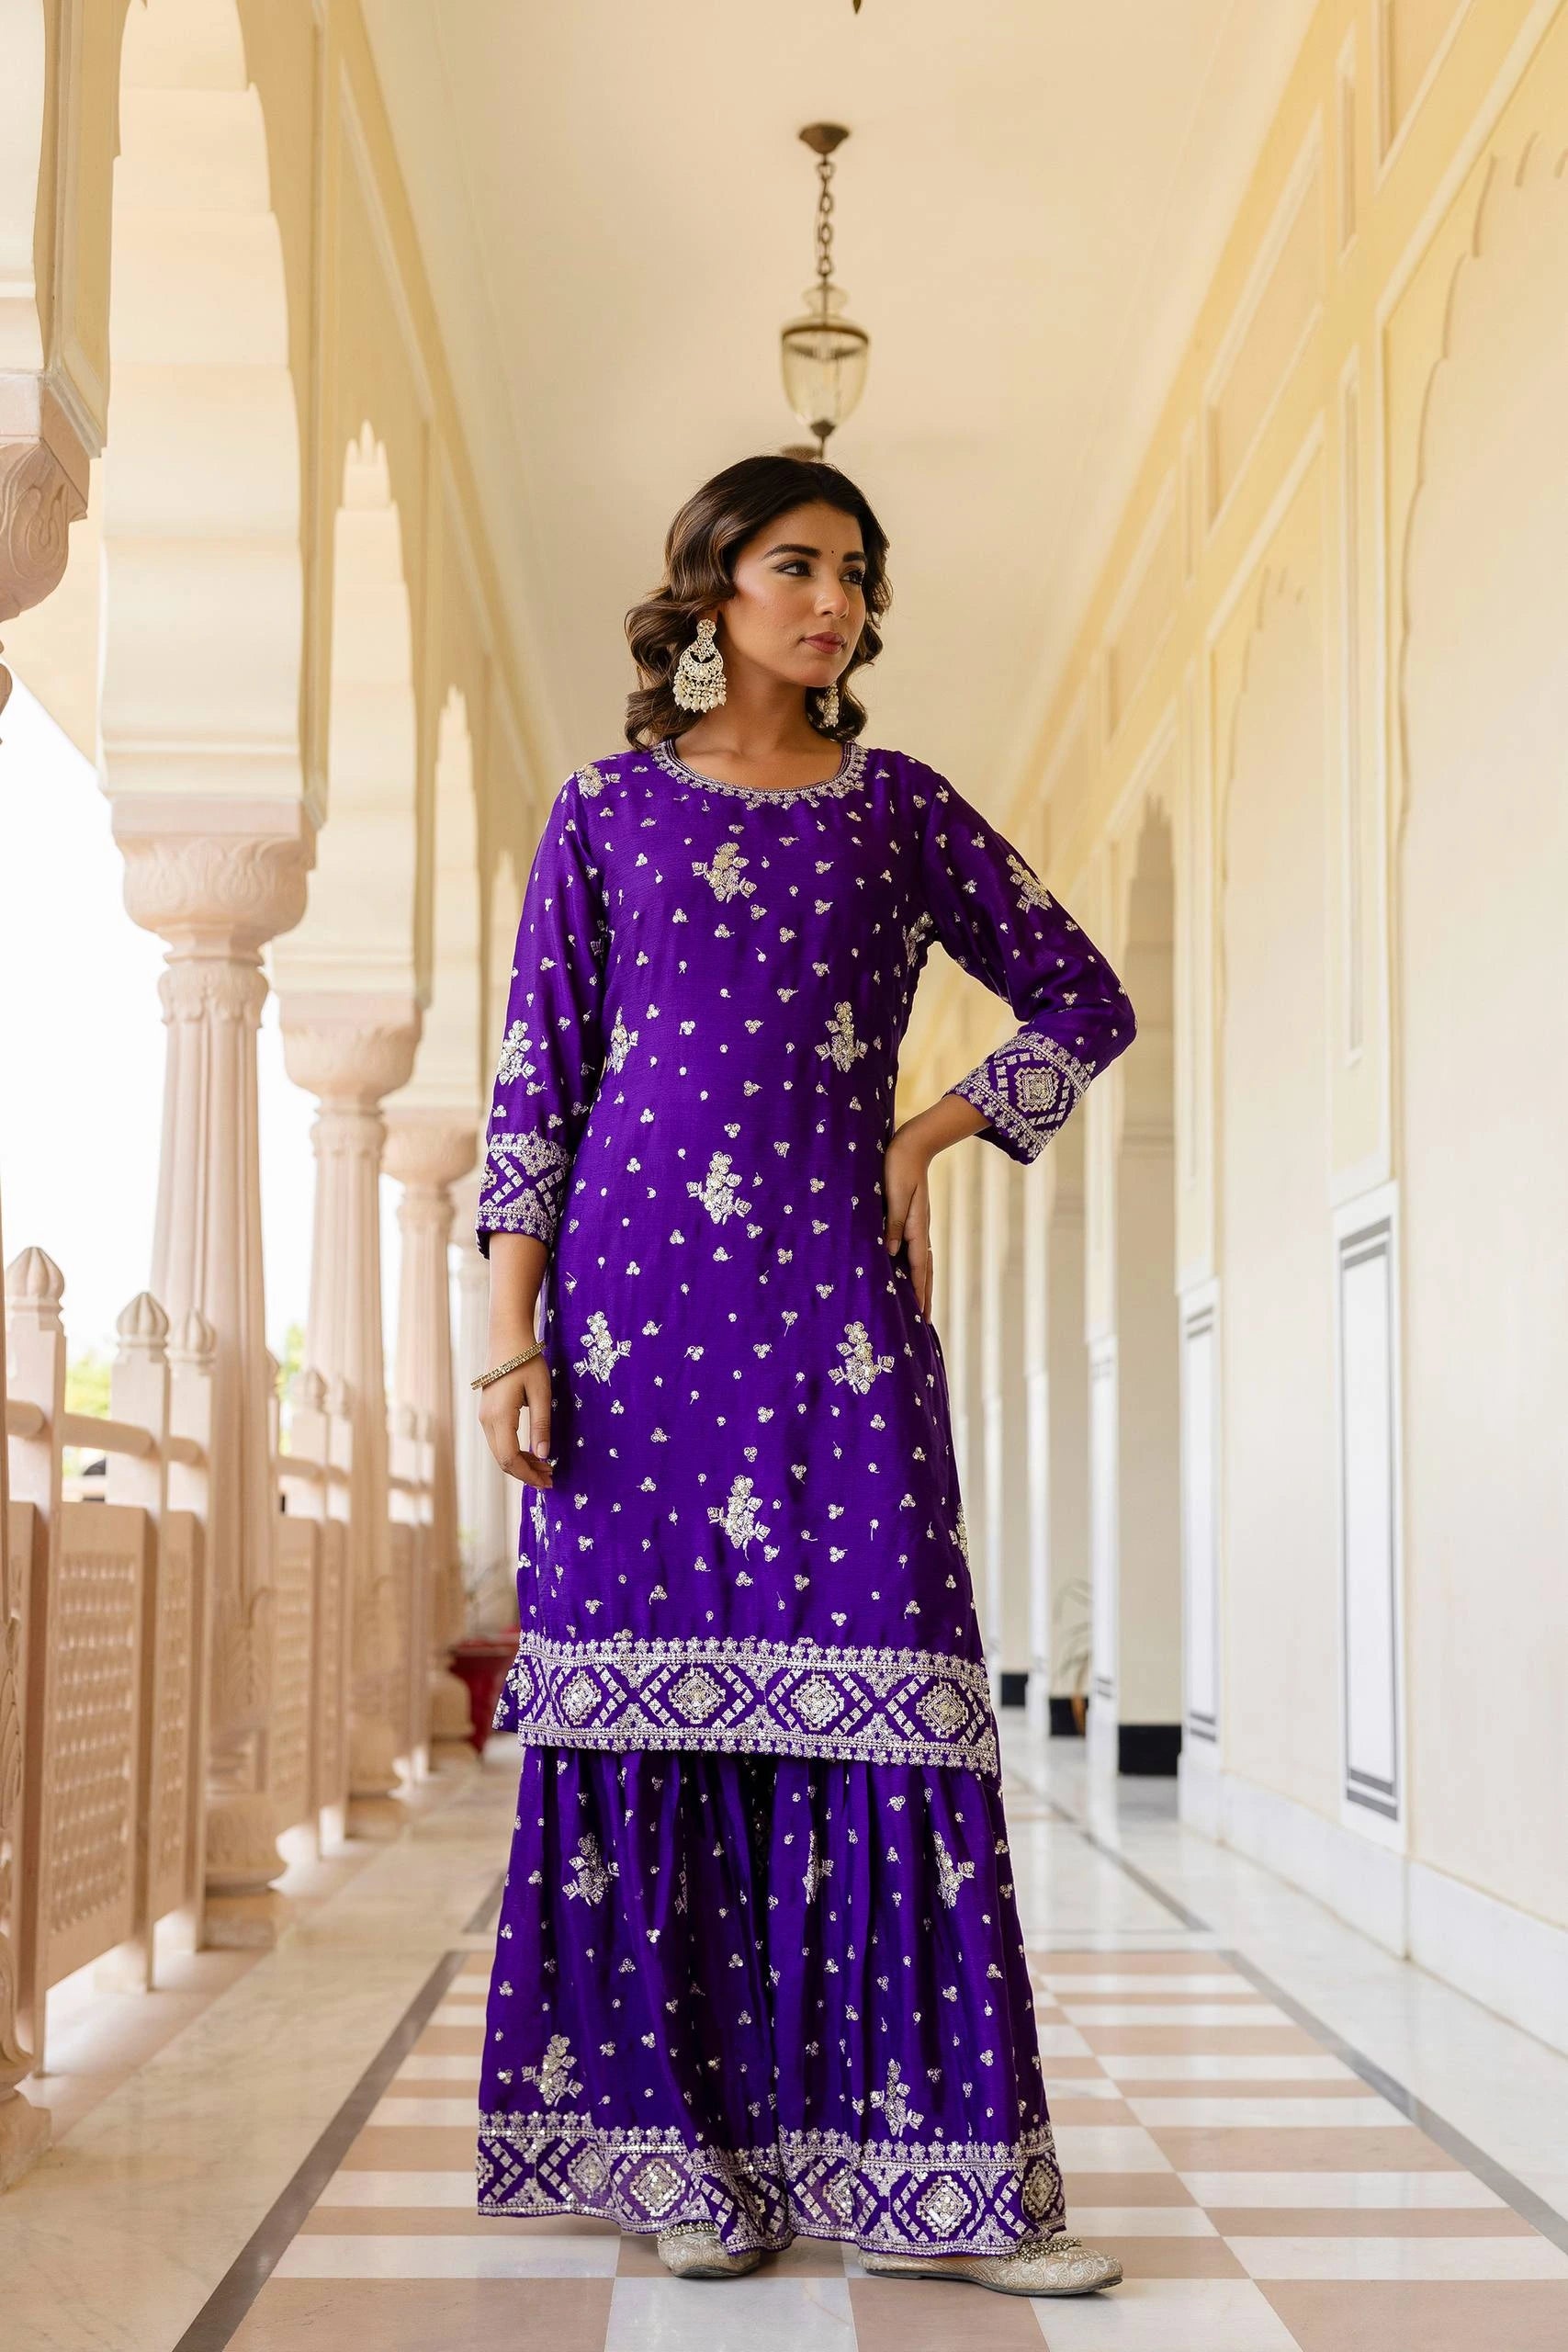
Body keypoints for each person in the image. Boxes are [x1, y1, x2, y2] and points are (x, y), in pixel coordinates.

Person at [470, 451, 1135, 2297]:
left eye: (852, 571)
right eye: (793, 564)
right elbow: (535, 1085)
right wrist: (504, 1343)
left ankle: (938, 2183)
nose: (831, 599)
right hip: (620, 1326)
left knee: (883, 1700)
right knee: (643, 1723)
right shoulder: (601, 812)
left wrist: (924, 1136)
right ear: (707, 589)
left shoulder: (896, 809)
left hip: (834, 1319)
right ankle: (678, 2161)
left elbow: (1084, 995)